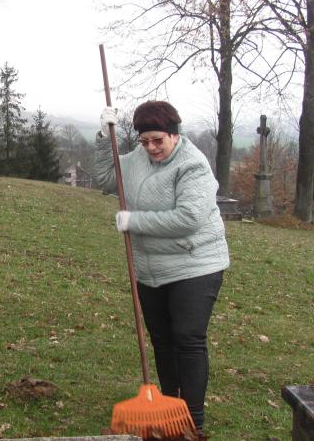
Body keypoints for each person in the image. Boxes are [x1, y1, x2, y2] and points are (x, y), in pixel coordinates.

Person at [95, 101, 229, 434]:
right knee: (163, 340)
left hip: (196, 264)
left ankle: (193, 421)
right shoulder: (139, 158)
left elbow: (189, 218)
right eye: (144, 142)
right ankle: (170, 409)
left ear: (173, 134)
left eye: (158, 140)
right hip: (151, 268)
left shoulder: (192, 165)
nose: (151, 148)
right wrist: (103, 136)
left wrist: (134, 221)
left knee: (187, 338)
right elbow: (106, 177)